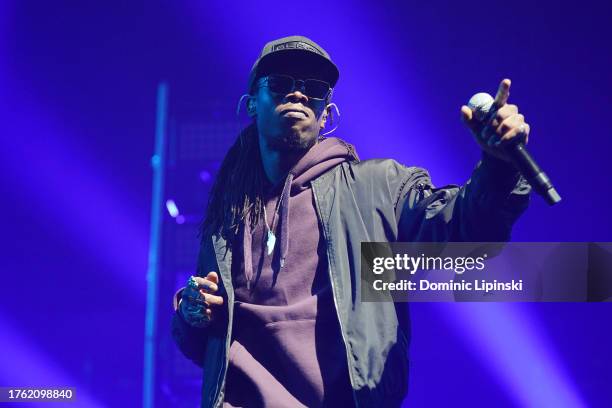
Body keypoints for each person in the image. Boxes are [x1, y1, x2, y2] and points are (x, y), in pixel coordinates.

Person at [171, 35, 531, 407]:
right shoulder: (229, 211)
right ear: (251, 104)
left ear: (327, 113)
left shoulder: (377, 189)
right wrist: (192, 313)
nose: (297, 95)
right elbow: (207, 346)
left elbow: (465, 231)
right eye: (280, 83)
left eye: (313, 89)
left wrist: (500, 165)